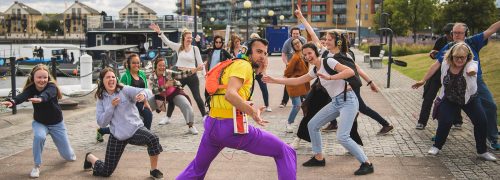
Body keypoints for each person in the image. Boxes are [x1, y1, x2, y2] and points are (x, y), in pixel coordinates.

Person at [176, 38, 297, 180]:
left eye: (265, 53)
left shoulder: (235, 63)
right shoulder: (243, 66)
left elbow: (232, 93)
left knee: (197, 169)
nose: (262, 56)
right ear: (248, 51)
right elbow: (230, 94)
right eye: (258, 51)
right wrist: (252, 112)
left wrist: (260, 72)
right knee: (285, 150)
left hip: (212, 125)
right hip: (230, 127)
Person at [263, 41, 373, 175]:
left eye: (310, 53)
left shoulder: (329, 61)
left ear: (316, 52)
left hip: (348, 100)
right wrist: (275, 80)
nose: (308, 56)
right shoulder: (315, 69)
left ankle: (366, 163)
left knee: (342, 136)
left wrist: (330, 77)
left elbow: (350, 72)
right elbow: (297, 80)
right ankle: (318, 157)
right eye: (305, 55)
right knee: (312, 125)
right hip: (336, 102)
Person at [296, 7, 394, 135]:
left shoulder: (345, 56)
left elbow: (357, 70)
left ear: (337, 41)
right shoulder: (325, 52)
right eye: (325, 39)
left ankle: (385, 124)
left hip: (349, 87)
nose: (325, 41)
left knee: (361, 107)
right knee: (329, 102)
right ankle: (334, 123)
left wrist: (371, 82)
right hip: (336, 87)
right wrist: (301, 17)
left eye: (329, 39)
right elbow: (313, 34)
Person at [415, 21, 500, 150]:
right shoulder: (449, 46)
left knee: (490, 106)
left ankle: (492, 138)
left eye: (460, 33)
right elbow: (436, 64)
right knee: (444, 110)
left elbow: (491, 29)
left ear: (466, 33)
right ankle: (440, 136)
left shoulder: (473, 41)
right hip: (453, 82)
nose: (457, 35)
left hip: (474, 81)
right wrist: (423, 80)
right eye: (454, 33)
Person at [83, 68, 164, 178]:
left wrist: (143, 96)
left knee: (153, 138)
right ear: (102, 81)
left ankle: (154, 170)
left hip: (135, 129)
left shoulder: (124, 90)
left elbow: (147, 90)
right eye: (108, 77)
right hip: (117, 135)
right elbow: (102, 123)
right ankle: (90, 157)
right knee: (106, 172)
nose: (111, 79)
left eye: (113, 77)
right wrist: (111, 107)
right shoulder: (101, 99)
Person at [1, 64, 76, 178]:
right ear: (33, 78)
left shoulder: (52, 87)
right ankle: (36, 166)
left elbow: (47, 94)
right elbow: (22, 96)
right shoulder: (31, 89)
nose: (42, 80)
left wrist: (40, 98)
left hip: (57, 124)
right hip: (40, 123)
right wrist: (12, 102)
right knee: (39, 137)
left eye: (45, 77)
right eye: (39, 77)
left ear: (48, 78)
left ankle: (69, 152)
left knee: (69, 157)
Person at [150, 24, 207, 117]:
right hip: (179, 74)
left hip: (192, 76)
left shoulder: (194, 48)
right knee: (172, 95)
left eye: (190, 38)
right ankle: (167, 118)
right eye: (187, 38)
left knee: (197, 97)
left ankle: (204, 116)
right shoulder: (178, 47)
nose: (189, 39)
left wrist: (205, 75)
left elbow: (200, 63)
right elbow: (167, 42)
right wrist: (160, 32)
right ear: (184, 38)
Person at [95, 54, 154, 142]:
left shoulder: (141, 74)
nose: (136, 65)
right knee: (131, 120)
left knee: (147, 113)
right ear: (128, 64)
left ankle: (145, 136)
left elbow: (144, 90)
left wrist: (145, 100)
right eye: (134, 63)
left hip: (139, 100)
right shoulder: (125, 76)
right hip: (129, 102)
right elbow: (119, 91)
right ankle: (102, 130)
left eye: (138, 63)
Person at [416, 23, 463, 130]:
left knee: (454, 97)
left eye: (449, 34)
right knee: (428, 97)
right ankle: (422, 122)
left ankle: (457, 121)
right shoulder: (441, 41)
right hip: (437, 73)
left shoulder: (461, 44)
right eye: (446, 34)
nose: (447, 36)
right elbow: (436, 57)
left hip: (452, 74)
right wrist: (433, 54)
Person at [150, 57, 202, 135]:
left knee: (186, 105)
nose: (162, 67)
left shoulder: (168, 72)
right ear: (155, 66)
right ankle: (140, 126)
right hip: (160, 96)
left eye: (164, 65)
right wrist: (165, 86)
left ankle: (191, 126)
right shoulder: (152, 77)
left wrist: (196, 69)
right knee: (146, 106)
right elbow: (154, 91)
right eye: (160, 65)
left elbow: (182, 74)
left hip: (174, 93)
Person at [283, 38, 310, 133]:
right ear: (293, 47)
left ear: (301, 43)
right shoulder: (295, 57)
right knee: (297, 105)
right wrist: (291, 79)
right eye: (295, 44)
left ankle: (308, 122)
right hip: (294, 84)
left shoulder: (303, 54)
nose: (297, 44)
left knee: (309, 103)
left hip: (303, 83)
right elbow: (287, 72)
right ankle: (289, 123)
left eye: (298, 42)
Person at [279, 27, 307, 108]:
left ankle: (302, 101)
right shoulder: (287, 43)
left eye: (297, 33)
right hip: (291, 65)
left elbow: (307, 51)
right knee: (288, 83)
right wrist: (287, 63)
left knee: (302, 82)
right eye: (294, 33)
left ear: (299, 34)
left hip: (301, 65)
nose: (295, 35)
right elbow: (283, 54)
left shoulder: (303, 41)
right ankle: (284, 102)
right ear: (291, 34)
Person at [247, 32, 272, 112]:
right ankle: (247, 105)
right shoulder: (250, 51)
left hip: (260, 72)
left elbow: (265, 63)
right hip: (250, 72)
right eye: (253, 39)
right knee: (249, 89)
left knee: (264, 89)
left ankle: (267, 105)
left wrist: (263, 72)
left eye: (256, 38)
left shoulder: (263, 51)